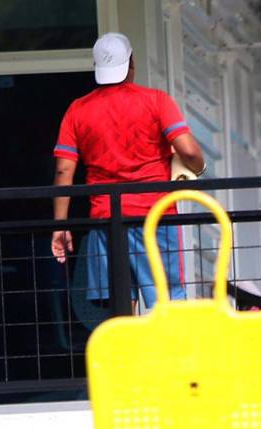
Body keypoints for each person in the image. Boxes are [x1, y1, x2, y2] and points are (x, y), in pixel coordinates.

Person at [51, 33, 205, 312]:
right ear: (131, 61)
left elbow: (64, 170)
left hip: (106, 218)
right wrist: (197, 168)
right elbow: (190, 152)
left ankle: (124, 356)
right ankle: (167, 356)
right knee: (168, 303)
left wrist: (59, 225)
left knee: (121, 305)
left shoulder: (77, 110)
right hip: (156, 216)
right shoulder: (156, 101)